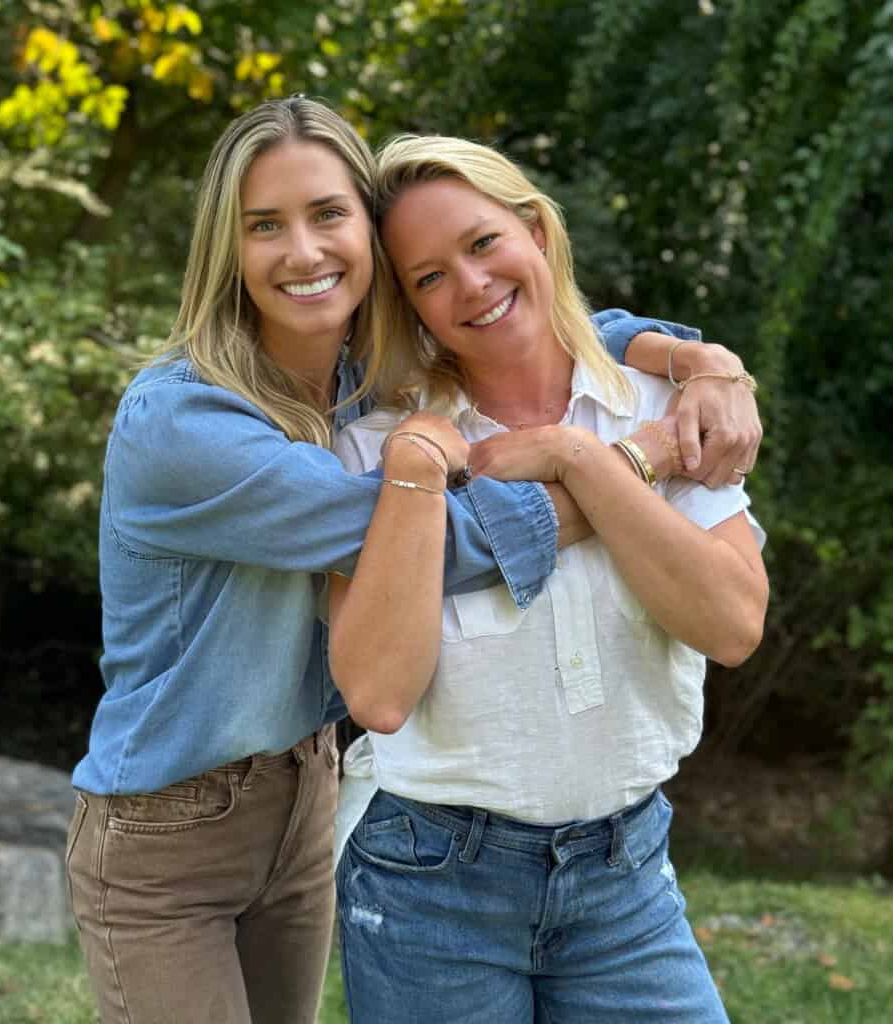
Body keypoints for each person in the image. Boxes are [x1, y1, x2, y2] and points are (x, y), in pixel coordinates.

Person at [64, 96, 761, 1024]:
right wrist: (630, 461)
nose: (303, 250)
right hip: (171, 824)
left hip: (305, 796)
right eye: (264, 225)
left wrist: (704, 361)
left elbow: (534, 314)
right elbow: (456, 542)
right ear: (225, 248)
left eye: (328, 214)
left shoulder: (362, 382)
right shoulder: (188, 425)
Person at [329, 134, 769, 1024]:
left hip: (625, 877)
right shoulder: (381, 445)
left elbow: (731, 626)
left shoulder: (663, 407)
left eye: (483, 242)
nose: (472, 285)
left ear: (534, 229)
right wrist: (419, 475)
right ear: (408, 304)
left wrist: (582, 458)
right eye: (429, 277)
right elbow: (375, 695)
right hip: (429, 881)